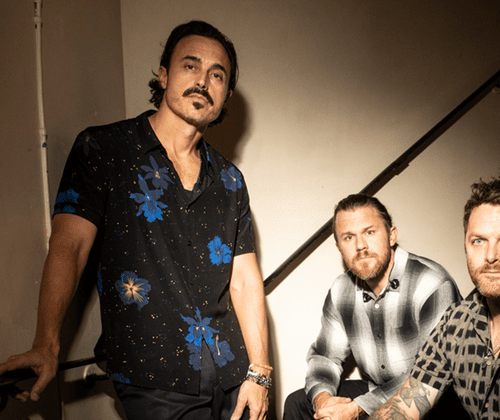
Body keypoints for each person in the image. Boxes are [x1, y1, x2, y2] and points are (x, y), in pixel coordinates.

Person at [0, 20, 270, 420]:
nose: (202, 81)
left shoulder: (230, 180)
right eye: (190, 65)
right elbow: (69, 246)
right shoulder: (103, 149)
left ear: (226, 94)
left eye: (217, 74)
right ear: (163, 75)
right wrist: (47, 343)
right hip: (154, 377)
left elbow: (244, 280)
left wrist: (260, 373)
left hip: (235, 376)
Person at [283, 194, 462, 420]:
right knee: (298, 403)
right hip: (378, 389)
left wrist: (358, 408)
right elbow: (325, 357)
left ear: (391, 235)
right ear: (339, 247)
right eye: (349, 237)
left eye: (369, 232)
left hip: (432, 397)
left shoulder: (431, 284)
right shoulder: (341, 290)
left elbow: (430, 375)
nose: (360, 245)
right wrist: (323, 400)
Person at [369, 176, 500, 420]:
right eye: (479, 241)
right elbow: (406, 405)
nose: (491, 255)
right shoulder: (456, 321)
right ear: (465, 244)